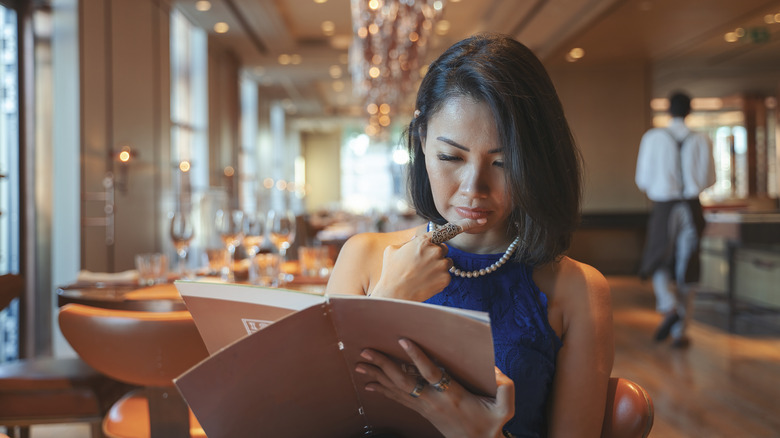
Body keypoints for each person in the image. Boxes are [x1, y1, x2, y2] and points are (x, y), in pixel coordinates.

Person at [327, 33, 614, 437]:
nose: (472, 188)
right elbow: (317, 415)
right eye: (451, 157)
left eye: (503, 163)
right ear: (422, 139)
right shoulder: (364, 258)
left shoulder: (577, 290)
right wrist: (386, 300)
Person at [635, 91, 716, 348]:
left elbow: (643, 180)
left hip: (664, 205)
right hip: (692, 207)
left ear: (668, 111)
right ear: (690, 111)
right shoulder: (702, 139)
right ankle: (681, 333)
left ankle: (668, 306)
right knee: (687, 264)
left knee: (657, 256)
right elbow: (710, 180)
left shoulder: (653, 137)